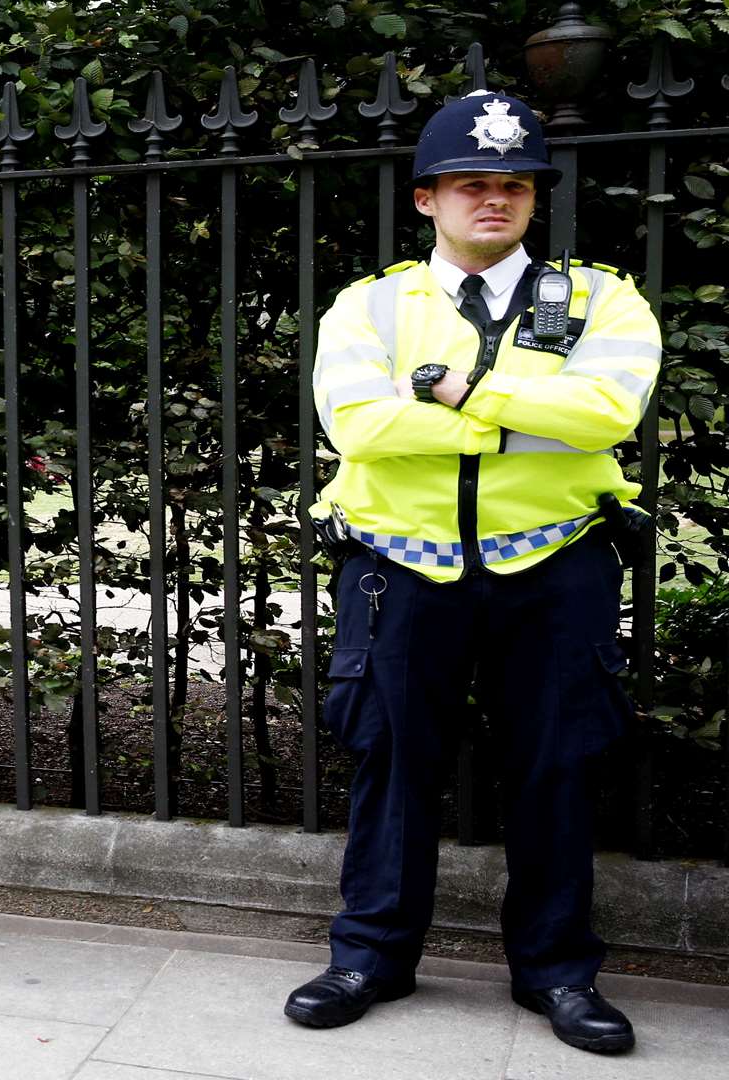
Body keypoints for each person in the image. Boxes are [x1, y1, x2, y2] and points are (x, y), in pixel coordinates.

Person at [291, 90, 660, 1055]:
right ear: (428, 200)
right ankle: (370, 954)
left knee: (556, 766)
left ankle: (559, 972)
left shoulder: (603, 299)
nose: (492, 200)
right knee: (393, 761)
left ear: (534, 199)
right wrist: (525, 414)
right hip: (398, 567)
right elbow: (361, 425)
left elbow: (606, 414)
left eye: (512, 186)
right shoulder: (367, 303)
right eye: (470, 185)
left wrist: (458, 393)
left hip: (556, 567)